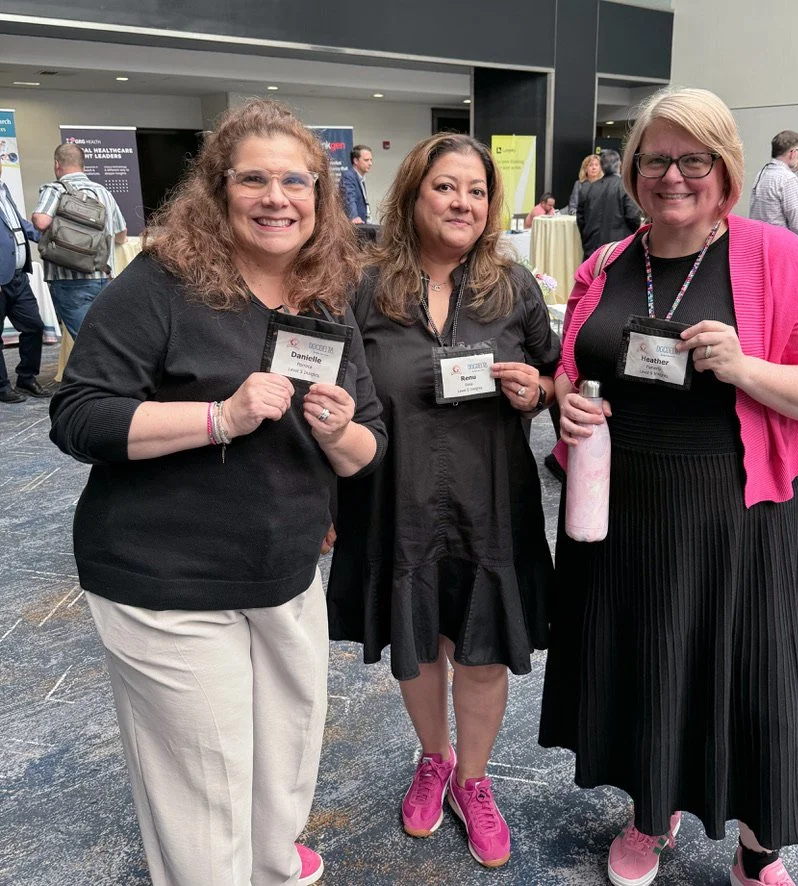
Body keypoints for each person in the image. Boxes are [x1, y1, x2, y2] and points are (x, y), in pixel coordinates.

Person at [49, 99, 387, 886]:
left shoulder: (326, 293)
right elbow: (79, 416)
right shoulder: (164, 282)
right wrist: (218, 416)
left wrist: (338, 433)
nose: (277, 197)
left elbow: (368, 443)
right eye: (254, 180)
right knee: (206, 781)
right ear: (218, 190)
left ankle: (271, 862)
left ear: (320, 196)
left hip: (285, 570)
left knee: (287, 750)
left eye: (294, 181)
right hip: (169, 578)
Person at [539, 87, 798, 886]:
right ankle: (652, 812)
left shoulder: (773, 255)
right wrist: (565, 404)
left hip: (735, 510)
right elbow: (573, 367)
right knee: (647, 662)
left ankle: (758, 849)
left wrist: (745, 366)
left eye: (693, 159)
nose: (672, 175)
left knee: (747, 675)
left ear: (724, 170)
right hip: (621, 508)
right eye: (655, 159)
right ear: (633, 171)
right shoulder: (608, 260)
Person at [327, 132, 560, 869]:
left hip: (491, 500)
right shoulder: (364, 287)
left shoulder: (512, 285)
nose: (463, 202)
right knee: (418, 640)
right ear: (413, 194)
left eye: (477, 191)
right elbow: (337, 398)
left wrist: (535, 391)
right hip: (396, 498)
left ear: (492, 206)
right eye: (446, 186)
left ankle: (473, 778)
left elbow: (553, 374)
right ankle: (433, 758)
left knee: (483, 648)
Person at [31, 143, 127, 338]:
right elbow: (121, 234)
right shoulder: (103, 192)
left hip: (69, 281)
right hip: (103, 277)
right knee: (107, 338)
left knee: (86, 343)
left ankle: (100, 369)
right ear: (83, 165)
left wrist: (35, 217)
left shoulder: (55, 189)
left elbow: (41, 222)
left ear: (57, 164)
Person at [0, 163, 49, 402]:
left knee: (34, 326)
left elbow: (17, 224)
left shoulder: (3, 189)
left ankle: (26, 378)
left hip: (18, 277)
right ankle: (1, 387)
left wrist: (45, 236)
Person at [576, 148, 642, 260]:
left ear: (601, 166)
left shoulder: (588, 188)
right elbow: (633, 216)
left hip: (592, 249)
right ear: (619, 165)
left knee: (592, 277)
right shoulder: (626, 187)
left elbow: (580, 219)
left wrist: (587, 238)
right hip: (618, 249)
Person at [748, 130, 798, 242]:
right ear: (793, 153)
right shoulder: (788, 178)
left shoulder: (762, 173)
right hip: (780, 243)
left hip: (758, 241)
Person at [339, 143, 373, 224]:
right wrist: (354, 217)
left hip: (363, 223)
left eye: (371, 160)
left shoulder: (360, 178)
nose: (370, 163)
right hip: (355, 225)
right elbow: (349, 198)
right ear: (356, 161)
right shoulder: (348, 176)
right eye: (366, 160)